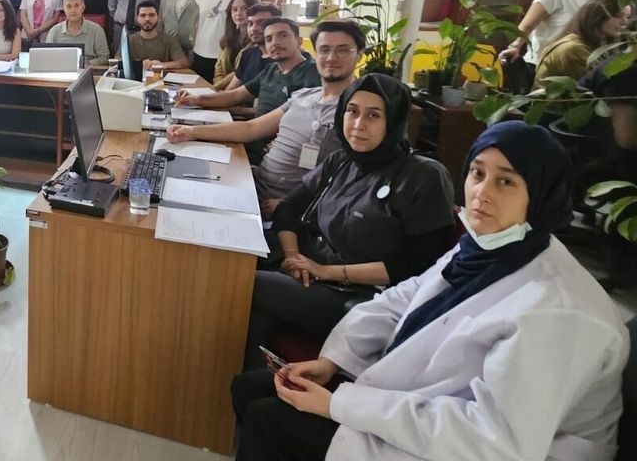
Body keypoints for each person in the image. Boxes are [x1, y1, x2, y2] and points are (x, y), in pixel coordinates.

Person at [231, 121, 629, 461]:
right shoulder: (489, 248)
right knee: (250, 388)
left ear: (541, 194)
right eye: (477, 173)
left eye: (506, 181)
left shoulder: (561, 312)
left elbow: (496, 439)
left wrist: (340, 404)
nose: (482, 193)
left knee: (270, 421)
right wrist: (332, 361)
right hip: (431, 407)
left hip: (484, 446)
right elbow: (401, 299)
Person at [243, 74, 457, 371]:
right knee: (237, 270)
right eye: (352, 111)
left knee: (243, 285)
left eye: (373, 115)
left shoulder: (423, 176)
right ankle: (250, 380)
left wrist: (324, 271)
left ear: (394, 120)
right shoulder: (341, 161)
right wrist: (293, 257)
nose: (358, 124)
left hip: (359, 297)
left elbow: (418, 267)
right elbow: (288, 208)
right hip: (308, 270)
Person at [169, 21, 365, 213]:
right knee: (174, 185)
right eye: (324, 50)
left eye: (342, 50)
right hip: (253, 182)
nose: (331, 57)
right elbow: (252, 128)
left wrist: (292, 204)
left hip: (281, 205)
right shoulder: (303, 96)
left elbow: (359, 179)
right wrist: (191, 131)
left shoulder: (359, 111)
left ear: (359, 54)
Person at [180, 17, 320, 120]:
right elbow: (235, 95)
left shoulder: (313, 73)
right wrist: (196, 99)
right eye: (269, 39)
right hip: (253, 136)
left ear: (299, 41)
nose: (275, 43)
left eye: (283, 36)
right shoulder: (270, 70)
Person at [532, 0, 625, 89]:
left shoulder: (594, 45)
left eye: (627, 17)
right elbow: (596, 86)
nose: (624, 22)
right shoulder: (572, 48)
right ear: (597, 17)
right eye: (617, 16)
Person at [227, 3, 284, 91]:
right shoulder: (247, 53)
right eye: (250, 23)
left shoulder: (285, 59)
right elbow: (231, 89)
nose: (253, 28)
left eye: (261, 23)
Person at [45, 0, 109, 66]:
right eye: (69, 6)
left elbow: (104, 58)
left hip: (88, 69)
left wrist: (86, 64)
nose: (73, 10)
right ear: (63, 9)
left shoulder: (96, 30)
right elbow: (47, 57)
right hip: (61, 70)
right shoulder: (54, 32)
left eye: (76, 6)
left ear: (83, 7)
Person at [212, 0, 259, 90]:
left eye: (244, 8)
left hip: (243, 93)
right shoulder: (226, 39)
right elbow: (219, 70)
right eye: (234, 9)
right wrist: (218, 89)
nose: (238, 13)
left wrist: (218, 89)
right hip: (222, 91)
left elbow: (239, 74)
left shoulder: (257, 43)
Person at [127, 0, 190, 71]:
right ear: (137, 18)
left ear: (158, 17)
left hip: (161, 76)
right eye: (143, 15)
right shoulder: (129, 40)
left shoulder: (169, 39)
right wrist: (138, 65)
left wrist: (163, 65)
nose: (147, 19)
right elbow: (118, 60)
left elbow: (184, 62)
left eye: (151, 15)